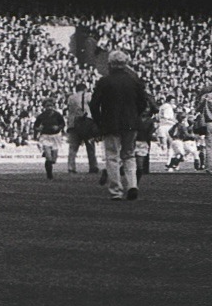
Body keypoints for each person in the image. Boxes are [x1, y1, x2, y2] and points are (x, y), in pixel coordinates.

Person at [89, 50, 151, 200]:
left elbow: (94, 105)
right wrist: (135, 115)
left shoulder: (104, 81)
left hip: (111, 124)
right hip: (131, 123)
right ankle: (132, 185)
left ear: (110, 64)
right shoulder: (134, 81)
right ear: (126, 63)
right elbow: (143, 103)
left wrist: (99, 122)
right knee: (129, 155)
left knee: (112, 157)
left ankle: (116, 190)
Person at [64, 81, 99, 176]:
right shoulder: (88, 95)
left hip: (73, 124)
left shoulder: (70, 98)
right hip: (86, 123)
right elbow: (94, 107)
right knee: (90, 146)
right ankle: (93, 166)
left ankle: (71, 167)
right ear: (85, 89)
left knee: (73, 147)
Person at [33, 97, 67, 180]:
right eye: (47, 106)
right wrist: (38, 130)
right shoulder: (41, 116)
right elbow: (35, 126)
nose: (49, 108)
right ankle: (49, 174)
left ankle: (48, 158)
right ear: (44, 107)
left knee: (54, 159)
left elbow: (62, 124)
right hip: (45, 136)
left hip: (55, 137)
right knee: (49, 157)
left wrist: (58, 127)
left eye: (51, 106)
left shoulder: (57, 115)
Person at [196, 80, 212, 174]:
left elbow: (198, 108)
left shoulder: (206, 96)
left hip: (209, 123)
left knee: (210, 147)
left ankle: (211, 169)